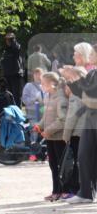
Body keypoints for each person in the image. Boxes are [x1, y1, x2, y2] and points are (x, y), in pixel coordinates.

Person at [60, 46, 97, 204]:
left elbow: (89, 96)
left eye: (94, 53)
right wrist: (71, 79)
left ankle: (87, 192)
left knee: (87, 156)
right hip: (90, 119)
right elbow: (82, 93)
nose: (91, 56)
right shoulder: (93, 72)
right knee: (84, 155)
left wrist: (75, 77)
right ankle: (86, 193)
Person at [38, 73, 67, 201]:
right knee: (53, 165)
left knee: (61, 166)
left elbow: (63, 119)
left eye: (43, 83)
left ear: (52, 84)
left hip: (59, 138)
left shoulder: (61, 98)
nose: (41, 85)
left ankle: (64, 191)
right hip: (50, 138)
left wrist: (49, 130)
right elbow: (46, 116)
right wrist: (40, 125)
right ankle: (56, 190)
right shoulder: (48, 97)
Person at [0, 32, 24, 100]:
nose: (7, 41)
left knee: (16, 94)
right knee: (9, 94)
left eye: (9, 39)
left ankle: (17, 109)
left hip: (15, 74)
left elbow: (16, 48)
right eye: (6, 39)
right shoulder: (6, 50)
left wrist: (12, 39)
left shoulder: (16, 47)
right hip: (7, 75)